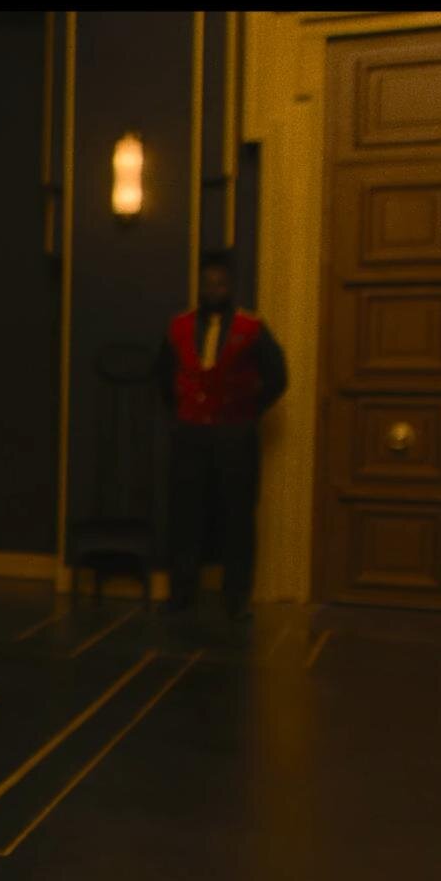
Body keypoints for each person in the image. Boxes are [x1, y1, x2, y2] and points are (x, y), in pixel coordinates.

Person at [154, 252, 287, 620]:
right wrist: (181, 413)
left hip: (235, 434)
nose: (214, 289)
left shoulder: (252, 328)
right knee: (185, 512)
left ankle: (236, 597)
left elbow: (277, 377)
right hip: (190, 433)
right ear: (200, 286)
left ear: (230, 287)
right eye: (208, 283)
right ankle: (182, 593)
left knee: (237, 514)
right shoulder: (178, 326)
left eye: (221, 283)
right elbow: (163, 375)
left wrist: (248, 410)